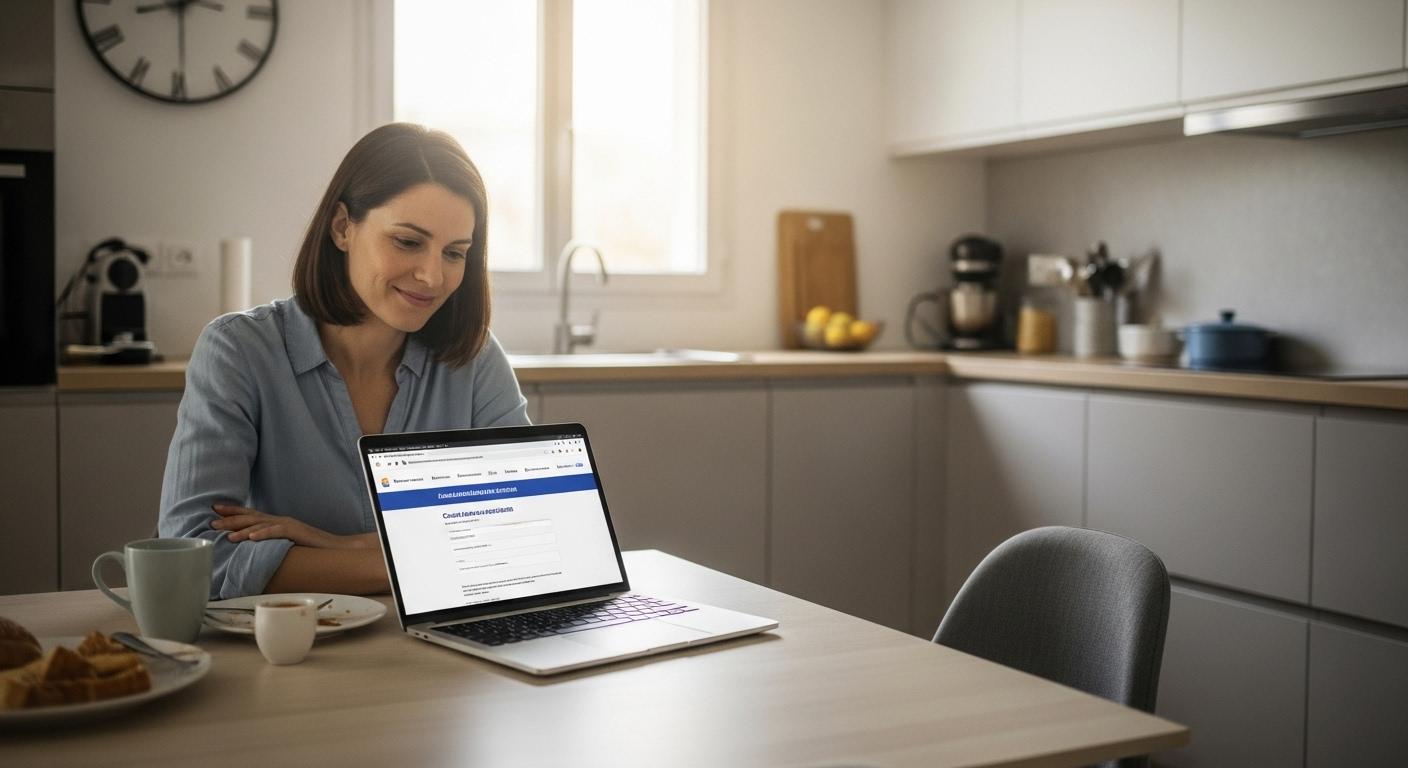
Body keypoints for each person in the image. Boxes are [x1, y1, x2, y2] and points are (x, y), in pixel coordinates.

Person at [159, 123, 530, 599]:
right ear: (342, 228)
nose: (432, 276)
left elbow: (526, 536)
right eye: (407, 241)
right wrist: (414, 560)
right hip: (289, 656)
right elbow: (190, 555)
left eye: (455, 253)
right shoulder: (238, 352)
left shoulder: (473, 359)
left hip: (452, 653)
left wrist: (333, 545)